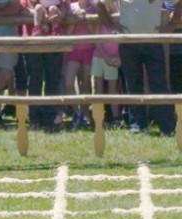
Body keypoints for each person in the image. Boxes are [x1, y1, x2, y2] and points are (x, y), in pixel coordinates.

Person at [97, 0, 181, 136]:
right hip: (129, 42)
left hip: (153, 41)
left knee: (159, 84)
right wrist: (112, 26)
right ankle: (138, 125)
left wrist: (172, 25)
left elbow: (178, 3)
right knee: (133, 85)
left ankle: (167, 127)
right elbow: (100, 5)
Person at [21, 0, 68, 130]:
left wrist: (59, 14)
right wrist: (42, 16)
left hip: (54, 41)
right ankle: (34, 116)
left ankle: (50, 115)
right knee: (35, 80)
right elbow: (23, 8)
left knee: (52, 79)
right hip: (33, 42)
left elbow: (65, 6)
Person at [62, 0, 95, 128]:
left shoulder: (93, 8)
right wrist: (75, 19)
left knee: (85, 83)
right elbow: (68, 32)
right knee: (69, 82)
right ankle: (76, 111)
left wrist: (86, 19)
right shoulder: (70, 7)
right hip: (73, 50)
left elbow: (95, 31)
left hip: (89, 49)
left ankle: (84, 112)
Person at [91, 0, 120, 128]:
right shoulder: (100, 19)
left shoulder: (119, 20)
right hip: (99, 57)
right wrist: (105, 57)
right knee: (98, 88)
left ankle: (115, 117)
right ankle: (98, 116)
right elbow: (96, 40)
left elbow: (122, 41)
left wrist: (118, 57)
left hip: (114, 58)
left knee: (113, 89)